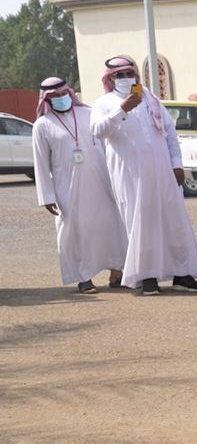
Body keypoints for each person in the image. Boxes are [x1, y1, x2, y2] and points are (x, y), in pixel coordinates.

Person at [90, 55, 197, 295]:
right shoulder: (104, 103)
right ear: (110, 79)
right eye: (119, 75)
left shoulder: (150, 99)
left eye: (128, 73)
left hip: (162, 171)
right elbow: (97, 131)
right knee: (140, 223)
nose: (125, 78)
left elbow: (170, 133)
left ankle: (182, 274)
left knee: (173, 222)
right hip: (130, 175)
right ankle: (147, 276)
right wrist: (123, 108)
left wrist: (177, 164)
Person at [31, 75, 127, 294]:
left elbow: (106, 146)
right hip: (68, 187)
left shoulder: (88, 113)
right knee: (74, 230)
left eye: (63, 93)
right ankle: (83, 277)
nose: (61, 98)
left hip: (100, 180)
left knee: (110, 224)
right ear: (47, 99)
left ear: (70, 93)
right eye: (54, 96)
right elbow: (40, 164)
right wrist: (46, 197)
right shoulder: (43, 125)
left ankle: (117, 271)